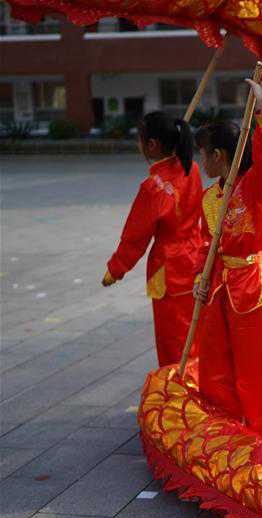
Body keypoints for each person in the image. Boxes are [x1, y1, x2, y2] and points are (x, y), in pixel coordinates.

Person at [193, 62, 262, 442]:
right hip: (217, 288)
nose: (199, 161)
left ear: (218, 155)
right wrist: (201, 278)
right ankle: (224, 434)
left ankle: (260, 438)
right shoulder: (210, 197)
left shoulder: (253, 188)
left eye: (203, 154)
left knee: (256, 370)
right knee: (215, 365)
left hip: (252, 289)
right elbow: (204, 245)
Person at [102, 111, 202, 366]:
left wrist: (116, 269)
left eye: (141, 139)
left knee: (170, 333)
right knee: (193, 326)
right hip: (194, 257)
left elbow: (136, 235)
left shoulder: (153, 187)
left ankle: (178, 389)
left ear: (153, 145)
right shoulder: (193, 169)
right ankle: (196, 377)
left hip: (165, 267)